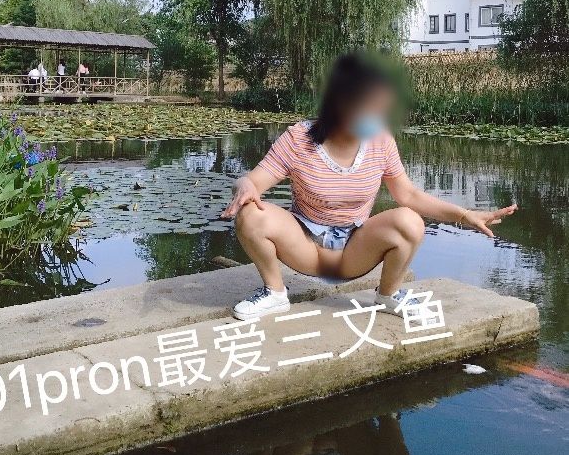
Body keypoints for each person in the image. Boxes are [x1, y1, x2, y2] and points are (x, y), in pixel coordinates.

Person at [221, 52, 517, 320]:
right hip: (304, 245)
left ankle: (389, 294)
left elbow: (409, 194)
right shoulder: (299, 139)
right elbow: (252, 181)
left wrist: (464, 215)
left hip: (355, 251)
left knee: (410, 221)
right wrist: (244, 186)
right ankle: (274, 293)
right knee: (250, 213)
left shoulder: (380, 140)